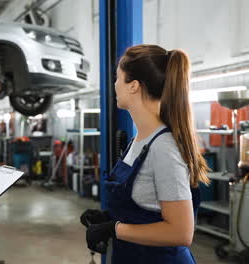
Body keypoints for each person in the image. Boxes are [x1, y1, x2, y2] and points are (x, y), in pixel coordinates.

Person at [80, 44, 209, 263]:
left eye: (118, 78)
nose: (115, 84)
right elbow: (146, 207)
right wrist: (108, 218)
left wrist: (115, 229)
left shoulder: (164, 148)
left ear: (133, 86)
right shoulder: (138, 141)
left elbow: (181, 232)